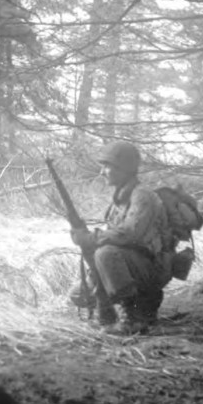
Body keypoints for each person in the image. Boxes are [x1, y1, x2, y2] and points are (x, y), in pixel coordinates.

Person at [70, 141, 171, 334]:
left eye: (107, 166)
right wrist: (85, 240)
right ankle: (108, 316)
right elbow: (113, 236)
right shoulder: (120, 198)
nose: (102, 172)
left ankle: (135, 317)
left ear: (124, 168)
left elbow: (129, 234)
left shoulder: (142, 196)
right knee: (79, 294)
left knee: (105, 254)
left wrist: (91, 238)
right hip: (134, 264)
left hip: (152, 267)